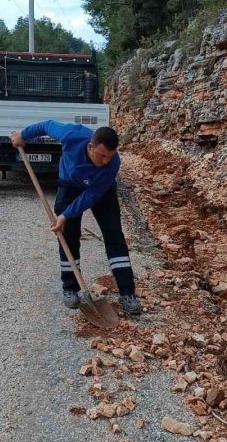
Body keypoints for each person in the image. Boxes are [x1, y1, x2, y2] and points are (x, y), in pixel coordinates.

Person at [10, 121, 142, 315]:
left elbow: (91, 196)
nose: (106, 161)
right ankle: (70, 288)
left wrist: (66, 214)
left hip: (100, 191)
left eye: (110, 156)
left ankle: (127, 292)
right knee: (68, 234)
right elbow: (46, 125)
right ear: (90, 147)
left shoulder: (113, 163)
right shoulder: (71, 135)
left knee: (114, 235)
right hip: (69, 184)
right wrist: (23, 134)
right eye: (102, 155)